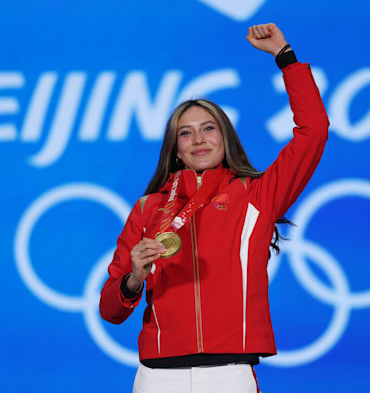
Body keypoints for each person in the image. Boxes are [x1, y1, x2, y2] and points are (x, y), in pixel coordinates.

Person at [100, 23, 330, 393]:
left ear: (225, 137)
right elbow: (111, 311)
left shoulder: (257, 195)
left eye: (209, 128)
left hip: (229, 375)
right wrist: (133, 278)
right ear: (175, 148)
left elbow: (314, 131)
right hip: (157, 377)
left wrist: (286, 59)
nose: (199, 139)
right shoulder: (148, 209)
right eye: (186, 133)